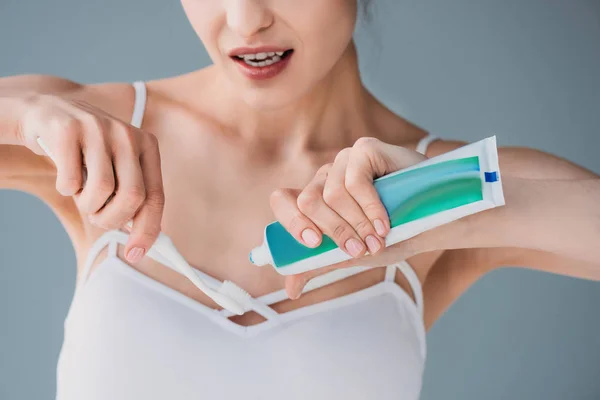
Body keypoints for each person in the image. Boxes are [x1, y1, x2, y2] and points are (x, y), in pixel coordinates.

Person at [0, 1, 598, 399]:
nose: (243, 19)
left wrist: (459, 203)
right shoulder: (89, 127)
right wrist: (21, 117)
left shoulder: (449, 181)